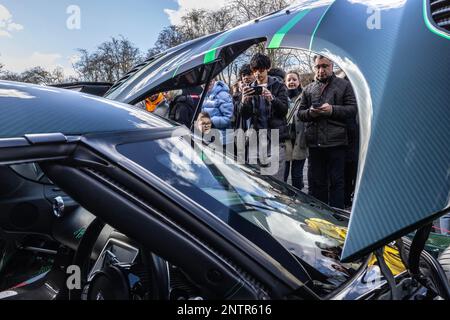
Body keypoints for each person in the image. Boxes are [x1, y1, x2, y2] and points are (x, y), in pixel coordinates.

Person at [298, 55, 357, 209]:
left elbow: (352, 109)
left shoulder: (344, 85)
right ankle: (319, 215)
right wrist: (311, 113)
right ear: (314, 68)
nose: (321, 70)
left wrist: (332, 110)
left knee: (337, 182)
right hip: (315, 143)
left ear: (331, 66)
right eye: (318, 66)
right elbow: (300, 113)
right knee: (317, 182)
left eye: (325, 66)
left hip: (337, 142)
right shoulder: (308, 89)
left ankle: (336, 214)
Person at [239, 53, 289, 180]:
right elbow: (245, 116)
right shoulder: (250, 88)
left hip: (275, 138)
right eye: (254, 71)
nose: (257, 74)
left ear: (268, 68)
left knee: (277, 184)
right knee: (256, 183)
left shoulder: (279, 86)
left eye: (261, 70)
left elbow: (283, 111)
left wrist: (272, 98)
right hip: (255, 139)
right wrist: (244, 101)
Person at [284, 71, 307, 191]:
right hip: (285, 140)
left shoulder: (305, 97)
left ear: (299, 82)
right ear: (285, 82)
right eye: (289, 80)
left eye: (294, 79)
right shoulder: (282, 97)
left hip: (300, 139)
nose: (291, 82)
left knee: (297, 175)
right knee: (284, 174)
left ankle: (298, 199)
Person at [201, 79, 233, 146]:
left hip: (224, 140)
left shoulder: (223, 95)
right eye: (202, 83)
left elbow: (229, 118)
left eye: (209, 82)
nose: (205, 85)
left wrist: (211, 121)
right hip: (211, 138)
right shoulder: (204, 95)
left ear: (213, 80)